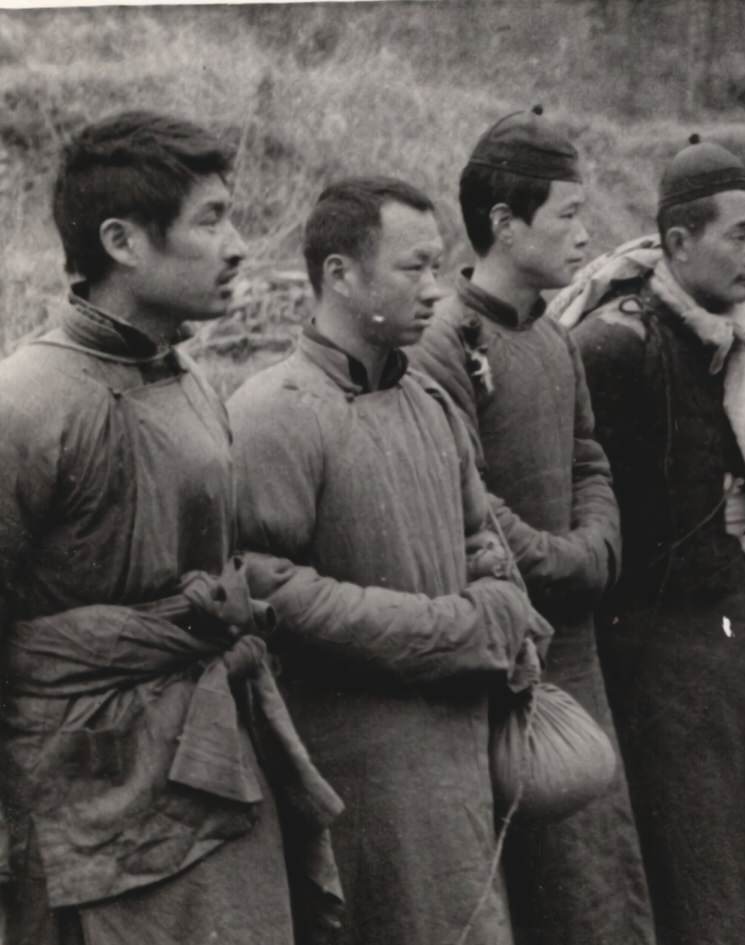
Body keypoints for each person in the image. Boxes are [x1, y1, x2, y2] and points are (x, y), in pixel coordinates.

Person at [0, 109, 338, 945]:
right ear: (121, 241)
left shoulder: (188, 377)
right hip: (89, 799)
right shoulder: (28, 403)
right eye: (210, 220)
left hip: (216, 757)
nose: (237, 245)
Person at [230, 176, 547, 945]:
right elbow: (264, 585)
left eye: (438, 267)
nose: (438, 291)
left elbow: (491, 552)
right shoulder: (271, 411)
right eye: (414, 268)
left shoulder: (432, 403)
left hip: (459, 760)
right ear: (339, 274)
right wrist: (457, 630)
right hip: (352, 768)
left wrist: (489, 611)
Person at [568, 139, 745, 945]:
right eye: (738, 236)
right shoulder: (616, 344)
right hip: (658, 632)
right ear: (678, 242)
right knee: (697, 828)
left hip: (731, 610)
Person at [407, 107, 654, 945]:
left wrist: (597, 544)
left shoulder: (553, 336)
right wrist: (559, 559)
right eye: (569, 215)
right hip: (514, 642)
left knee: (598, 849)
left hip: (576, 625)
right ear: (505, 225)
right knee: (540, 859)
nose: (588, 234)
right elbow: (461, 490)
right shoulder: (444, 341)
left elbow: (589, 455)